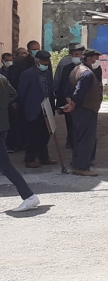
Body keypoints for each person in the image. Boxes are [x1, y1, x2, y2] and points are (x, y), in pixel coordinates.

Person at [0, 72, 40, 212]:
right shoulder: (2, 78)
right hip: (3, 125)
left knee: (5, 165)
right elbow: (13, 94)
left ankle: (29, 195)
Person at [63, 49, 103, 177]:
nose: (97, 61)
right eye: (95, 58)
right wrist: (73, 104)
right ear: (89, 58)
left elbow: (68, 90)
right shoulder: (87, 74)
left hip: (81, 110)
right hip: (86, 110)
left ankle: (77, 164)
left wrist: (71, 104)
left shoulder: (77, 69)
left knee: (78, 138)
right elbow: (79, 92)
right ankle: (82, 167)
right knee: (86, 139)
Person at [17, 50, 56, 168]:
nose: (46, 63)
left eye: (47, 61)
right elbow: (22, 93)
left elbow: (50, 90)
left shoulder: (47, 73)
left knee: (45, 134)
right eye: (43, 61)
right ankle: (30, 159)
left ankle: (44, 157)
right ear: (37, 61)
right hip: (33, 109)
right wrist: (23, 108)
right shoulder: (27, 74)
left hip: (47, 108)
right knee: (32, 135)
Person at [54, 44, 85, 150]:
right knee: (70, 123)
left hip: (83, 103)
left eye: (77, 54)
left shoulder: (88, 68)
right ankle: (71, 141)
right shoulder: (67, 67)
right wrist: (60, 103)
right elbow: (62, 85)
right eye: (73, 54)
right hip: (69, 101)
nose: (74, 57)